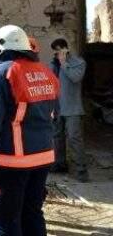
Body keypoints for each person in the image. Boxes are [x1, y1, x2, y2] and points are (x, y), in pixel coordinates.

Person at [0, 25, 59, 236]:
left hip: (10, 160)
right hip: (43, 156)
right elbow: (55, 113)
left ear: (0, 48)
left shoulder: (0, 74)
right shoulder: (46, 72)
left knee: (5, 219)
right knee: (32, 213)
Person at [50, 38, 88, 182]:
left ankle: (81, 171)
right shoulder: (54, 64)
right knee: (57, 138)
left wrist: (64, 63)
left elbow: (75, 78)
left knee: (74, 138)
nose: (57, 54)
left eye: (59, 51)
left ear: (65, 49)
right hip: (57, 107)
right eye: (55, 52)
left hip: (73, 108)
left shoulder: (79, 63)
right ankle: (59, 164)